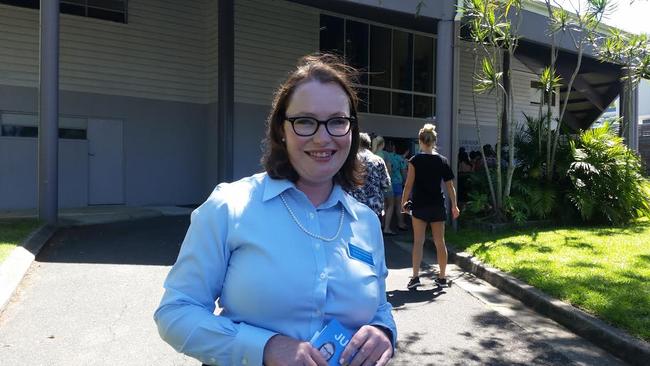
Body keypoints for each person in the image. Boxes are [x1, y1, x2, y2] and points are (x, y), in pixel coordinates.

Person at [154, 54, 396, 366]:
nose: (323, 137)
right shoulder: (231, 206)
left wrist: (383, 330)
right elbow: (175, 312)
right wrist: (264, 348)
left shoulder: (365, 222)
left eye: (337, 121)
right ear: (281, 129)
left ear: (351, 129)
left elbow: (379, 305)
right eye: (305, 121)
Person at [401, 123, 460, 290]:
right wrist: (454, 205)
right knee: (440, 242)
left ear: (420, 141)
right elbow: (450, 186)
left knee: (418, 242)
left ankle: (415, 277)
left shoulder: (414, 160)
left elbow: (408, 185)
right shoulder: (442, 161)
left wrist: (403, 202)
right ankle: (442, 277)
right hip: (437, 205)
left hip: (419, 206)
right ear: (434, 141)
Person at [349, 132, 391, 219]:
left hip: (354, 207)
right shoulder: (378, 160)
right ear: (368, 144)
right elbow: (386, 184)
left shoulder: (350, 160)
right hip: (375, 207)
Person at [384, 141, 408, 234]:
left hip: (386, 183)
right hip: (397, 183)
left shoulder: (384, 156)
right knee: (398, 205)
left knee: (386, 205)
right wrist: (406, 182)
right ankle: (400, 224)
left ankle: (383, 224)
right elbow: (404, 172)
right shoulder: (399, 158)